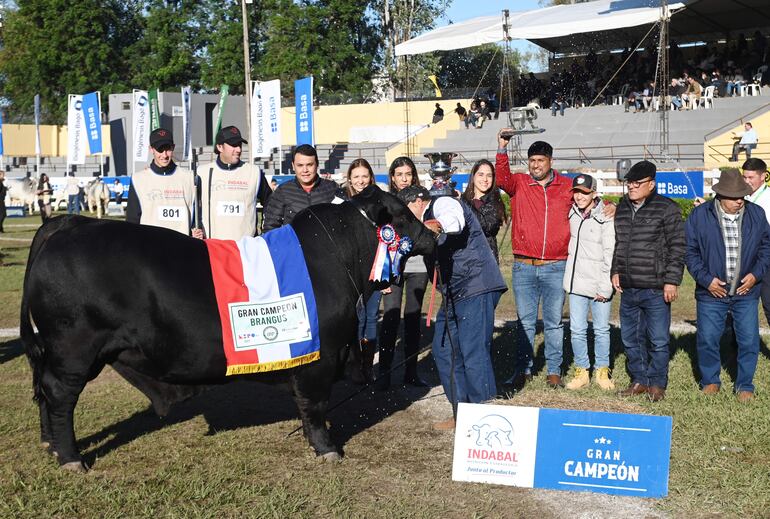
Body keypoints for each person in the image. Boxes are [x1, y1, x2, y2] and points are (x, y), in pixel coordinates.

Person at [399, 184, 507, 430]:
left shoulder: (442, 203)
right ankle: (463, 414)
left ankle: (486, 420)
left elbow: (454, 223)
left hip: (476, 285)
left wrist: (431, 226)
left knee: (473, 353)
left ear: (417, 201)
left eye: (406, 212)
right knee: (444, 351)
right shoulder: (420, 221)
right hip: (454, 292)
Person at [496, 135, 575, 390]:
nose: (536, 165)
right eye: (532, 160)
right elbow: (501, 178)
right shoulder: (519, 182)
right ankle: (523, 370)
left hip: (555, 266)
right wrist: (502, 148)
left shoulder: (566, 186)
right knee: (525, 323)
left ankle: (554, 371)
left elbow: (589, 201)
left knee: (553, 323)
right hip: (524, 266)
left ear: (550, 161)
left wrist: (608, 207)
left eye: (541, 160)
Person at [685, 168, 770, 402]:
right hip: (711, 292)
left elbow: (766, 248)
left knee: (749, 339)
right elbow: (690, 253)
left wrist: (755, 275)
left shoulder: (757, 214)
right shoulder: (700, 216)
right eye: (734, 197)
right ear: (720, 196)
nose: (739, 201)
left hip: (746, 292)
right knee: (707, 339)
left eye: (742, 195)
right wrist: (706, 280)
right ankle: (711, 380)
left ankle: (745, 385)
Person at [612, 160, 685, 402]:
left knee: (658, 339)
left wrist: (671, 281)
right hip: (629, 286)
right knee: (631, 338)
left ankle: (657, 383)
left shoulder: (667, 209)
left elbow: (677, 247)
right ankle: (639, 380)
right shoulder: (622, 208)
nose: (631, 187)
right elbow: (619, 244)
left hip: (656, 287)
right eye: (629, 183)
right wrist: (615, 270)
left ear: (651, 184)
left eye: (637, 183)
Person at [376, 156, 429, 390]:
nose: (404, 178)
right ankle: (384, 372)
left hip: (418, 266)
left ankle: (411, 371)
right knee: (390, 317)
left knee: (412, 318)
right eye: (400, 174)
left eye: (408, 174)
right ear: (393, 178)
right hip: (393, 268)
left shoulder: (423, 198)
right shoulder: (385, 202)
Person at [562, 174, 615, 391]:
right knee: (577, 329)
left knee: (601, 330)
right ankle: (582, 370)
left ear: (594, 193)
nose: (579, 196)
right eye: (576, 192)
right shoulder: (571, 213)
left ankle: (602, 371)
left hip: (599, 284)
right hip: (576, 285)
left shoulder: (606, 215)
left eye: (584, 192)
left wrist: (605, 286)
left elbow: (610, 252)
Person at [339, 158, 381, 383]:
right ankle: (351, 364)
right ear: (350, 179)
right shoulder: (341, 203)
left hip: (375, 269)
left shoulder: (381, 204)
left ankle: (367, 365)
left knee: (372, 317)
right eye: (356, 177)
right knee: (355, 317)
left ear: (371, 178)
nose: (361, 181)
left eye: (365, 176)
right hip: (350, 271)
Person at [199, 125, 272, 239]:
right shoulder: (202, 172)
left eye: (239, 145)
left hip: (244, 248)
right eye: (233, 145)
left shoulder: (254, 172)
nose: (238, 149)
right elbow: (193, 207)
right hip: (213, 247)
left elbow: (271, 203)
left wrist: (265, 231)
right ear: (219, 147)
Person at [126, 128, 199, 236]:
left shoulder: (189, 178)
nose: (164, 155)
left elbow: (197, 217)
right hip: (150, 249)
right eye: (160, 150)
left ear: (173, 147)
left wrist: (196, 232)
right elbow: (132, 222)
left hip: (182, 247)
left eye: (168, 149)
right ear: (151, 149)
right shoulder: (138, 179)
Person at [261, 144, 336, 232]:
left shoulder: (332, 188)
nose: (305, 170)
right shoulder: (282, 191)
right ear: (293, 166)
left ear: (317, 164)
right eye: (300, 165)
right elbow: (270, 228)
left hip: (325, 245)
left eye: (309, 165)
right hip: (294, 245)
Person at [461, 159, 507, 263]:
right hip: (463, 261)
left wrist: (463, 203)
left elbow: (486, 227)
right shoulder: (463, 200)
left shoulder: (495, 202)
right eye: (481, 174)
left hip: (486, 262)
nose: (485, 179)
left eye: (489, 175)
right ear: (473, 176)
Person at [742, 158, 770, 326]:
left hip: (766, 260)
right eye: (744, 177)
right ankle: (737, 348)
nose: (746, 181)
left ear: (763, 176)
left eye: (751, 177)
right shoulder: (740, 197)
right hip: (745, 260)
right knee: (741, 306)